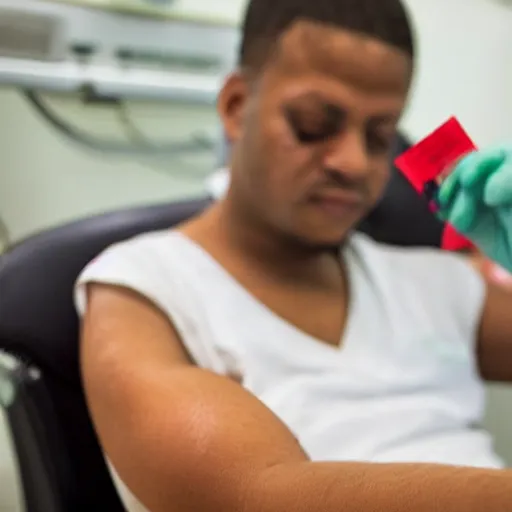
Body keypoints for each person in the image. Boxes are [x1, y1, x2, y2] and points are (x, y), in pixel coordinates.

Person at [75, 0, 512, 510]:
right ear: (236, 105)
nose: (352, 162)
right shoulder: (145, 289)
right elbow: (256, 497)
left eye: (379, 137)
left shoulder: (435, 284)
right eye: (313, 124)